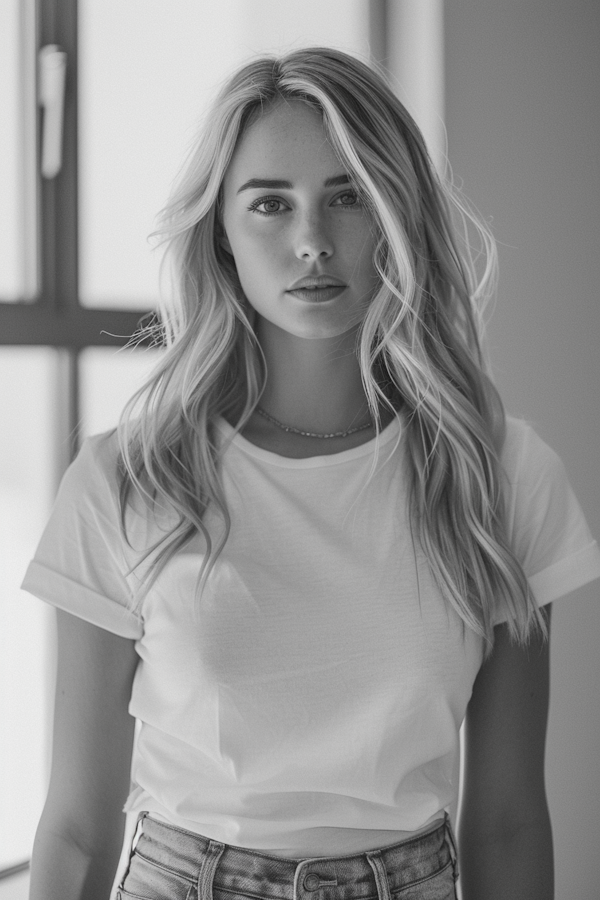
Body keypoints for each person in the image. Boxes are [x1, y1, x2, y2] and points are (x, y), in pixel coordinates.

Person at [21, 47, 600, 900]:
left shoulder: (503, 477)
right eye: (269, 203)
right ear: (219, 231)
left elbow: (510, 818)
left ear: (398, 214)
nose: (311, 242)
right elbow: (75, 823)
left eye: (348, 196)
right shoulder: (130, 478)